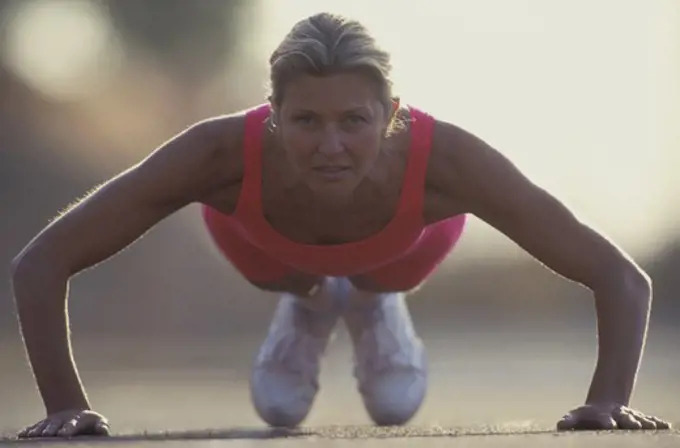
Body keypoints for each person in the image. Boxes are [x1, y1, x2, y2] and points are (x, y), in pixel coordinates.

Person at [10, 12, 671, 439]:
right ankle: (308, 303)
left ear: (390, 115)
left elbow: (620, 277)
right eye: (306, 122)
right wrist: (67, 405)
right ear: (273, 115)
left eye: (353, 121)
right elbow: (41, 260)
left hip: (402, 254)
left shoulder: (448, 159)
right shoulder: (216, 154)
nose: (330, 145)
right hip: (267, 254)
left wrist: (608, 401)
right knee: (280, 395)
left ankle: (375, 302)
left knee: (392, 402)